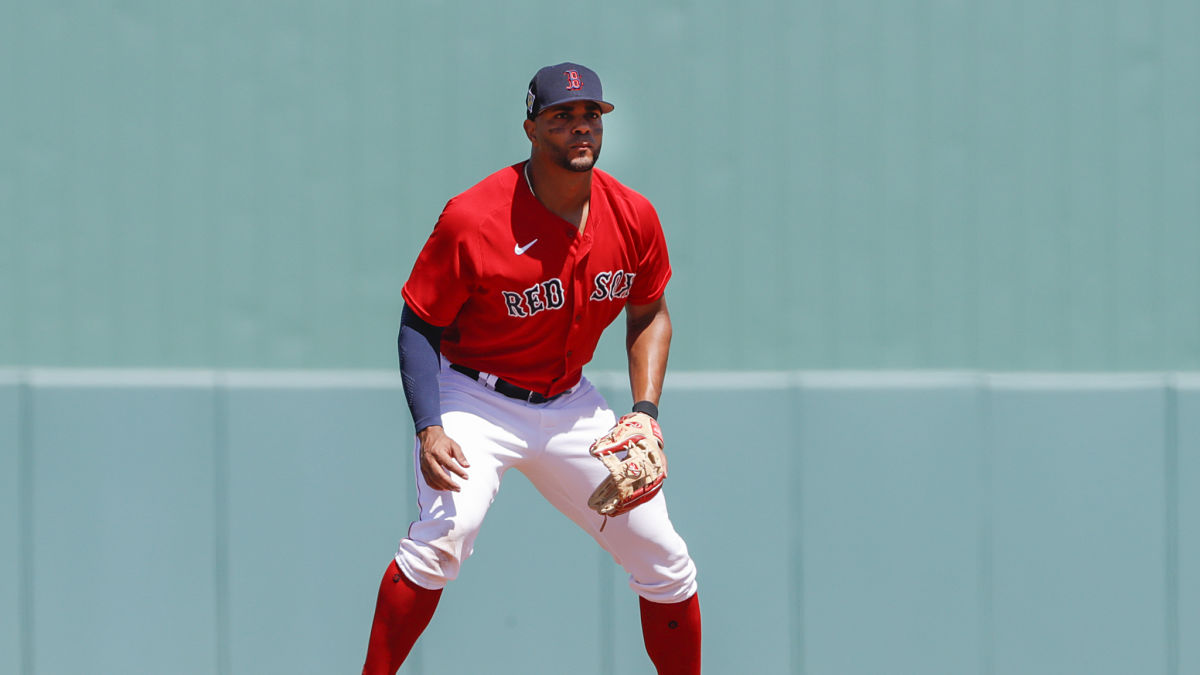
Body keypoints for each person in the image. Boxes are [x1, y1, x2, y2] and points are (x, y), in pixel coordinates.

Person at [361, 62, 701, 675]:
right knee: (445, 535)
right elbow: (419, 324)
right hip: (473, 396)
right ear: (531, 128)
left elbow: (649, 313)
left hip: (570, 403)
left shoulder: (633, 216)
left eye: (590, 116)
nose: (580, 129)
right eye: (561, 117)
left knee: (664, 556)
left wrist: (645, 414)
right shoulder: (475, 217)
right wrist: (429, 426)